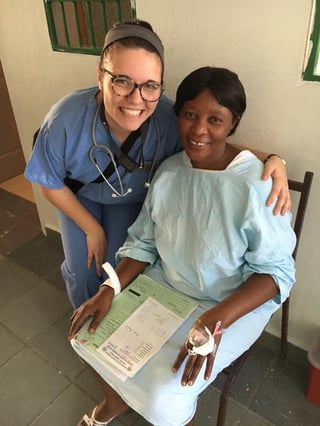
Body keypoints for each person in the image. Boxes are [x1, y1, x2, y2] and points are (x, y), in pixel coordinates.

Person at [68, 66, 296, 426]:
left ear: (233, 122)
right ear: (178, 115)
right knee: (83, 337)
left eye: (215, 120)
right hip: (167, 284)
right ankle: (115, 401)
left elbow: (276, 272)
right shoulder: (170, 172)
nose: (199, 130)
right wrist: (110, 288)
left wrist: (216, 318)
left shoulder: (258, 184)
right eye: (190, 115)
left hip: (229, 303)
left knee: (165, 396)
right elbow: (143, 242)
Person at [25, 20, 289, 309]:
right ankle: (84, 323)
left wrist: (272, 159)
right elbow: (47, 179)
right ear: (101, 74)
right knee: (83, 268)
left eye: (150, 86)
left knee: (116, 265)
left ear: (160, 86)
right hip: (80, 198)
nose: (136, 99)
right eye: (122, 81)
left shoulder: (166, 117)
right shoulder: (65, 119)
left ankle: (110, 332)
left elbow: (209, 142)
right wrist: (91, 229)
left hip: (130, 200)